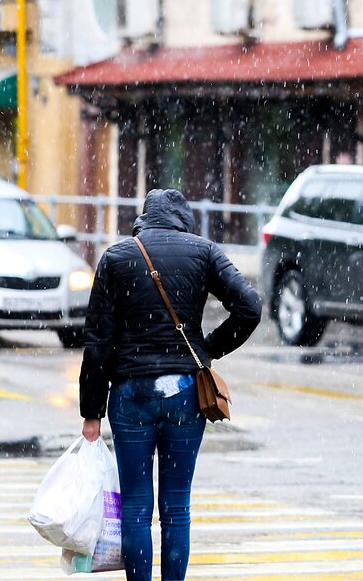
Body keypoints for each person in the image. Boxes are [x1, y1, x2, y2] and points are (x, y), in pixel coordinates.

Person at [79, 189, 261, 581]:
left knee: (136, 507)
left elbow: (98, 344)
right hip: (184, 394)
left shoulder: (117, 258)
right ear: (184, 220)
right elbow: (251, 307)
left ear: (145, 218)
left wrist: (90, 412)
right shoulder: (204, 252)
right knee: (177, 506)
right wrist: (209, 347)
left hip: (130, 395)